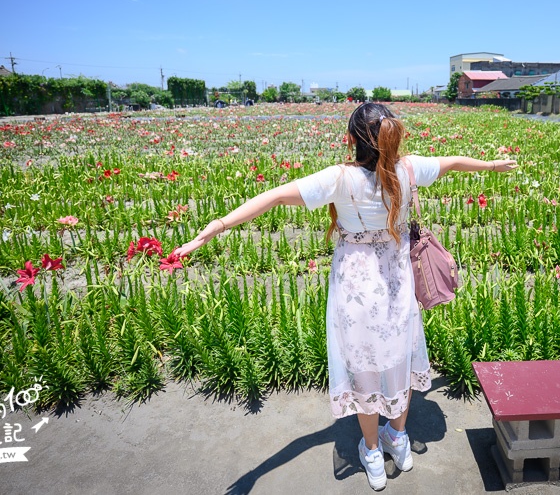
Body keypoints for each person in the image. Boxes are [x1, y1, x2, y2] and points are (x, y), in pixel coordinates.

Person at [175, 103, 517, 490]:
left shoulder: (338, 179)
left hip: (356, 288)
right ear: (390, 133)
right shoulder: (408, 169)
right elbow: (453, 162)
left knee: (365, 369)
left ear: (352, 138)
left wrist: (213, 229)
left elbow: (271, 197)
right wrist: (490, 166)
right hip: (396, 282)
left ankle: (372, 452)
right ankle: (398, 439)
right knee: (398, 358)